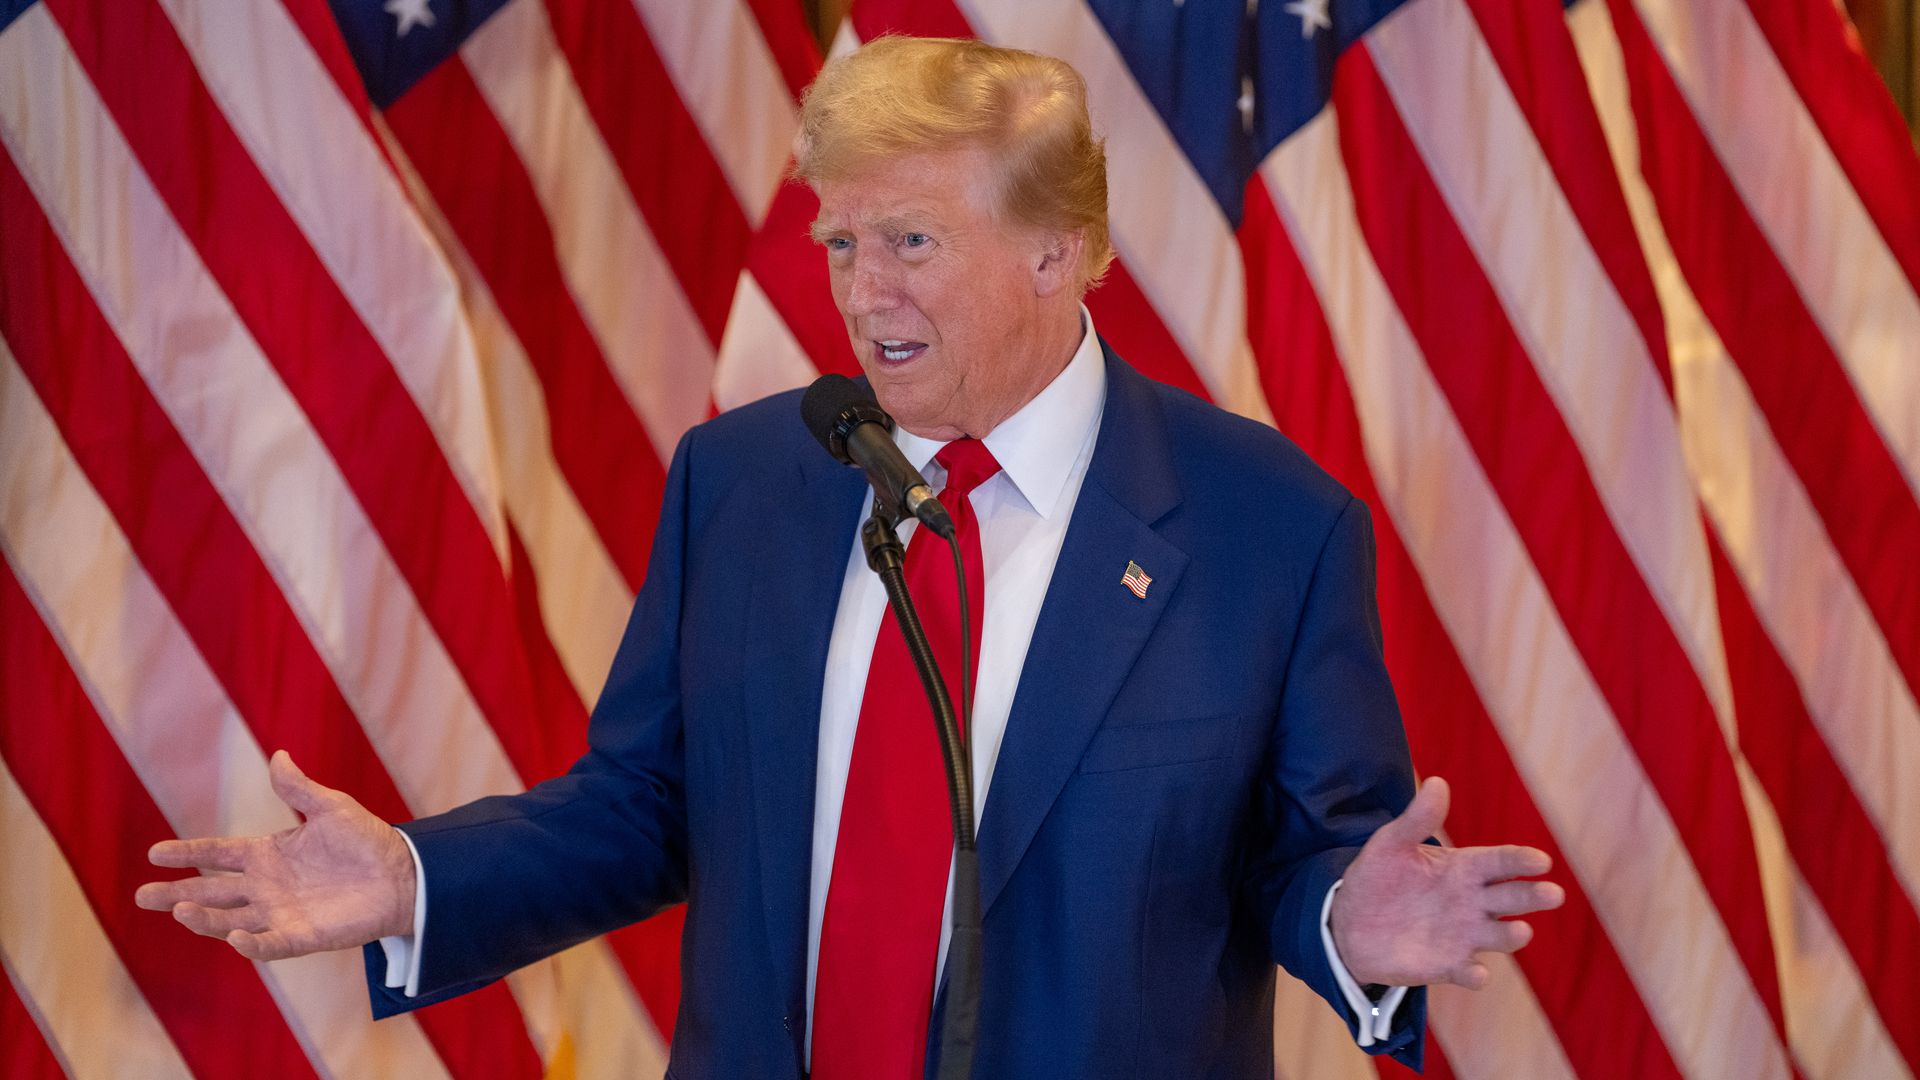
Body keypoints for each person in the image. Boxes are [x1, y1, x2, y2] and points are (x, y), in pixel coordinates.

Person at [137, 36, 1563, 1079]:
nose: (861, 290)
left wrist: (1345, 921)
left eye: (912, 241)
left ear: (1060, 256)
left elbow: (1297, 857)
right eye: (840, 240)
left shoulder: (1267, 524)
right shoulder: (748, 478)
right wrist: (412, 881)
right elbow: (644, 808)